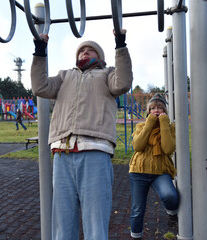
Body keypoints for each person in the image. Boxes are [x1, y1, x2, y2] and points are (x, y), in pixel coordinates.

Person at [30, 30, 133, 240]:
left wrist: (120, 44)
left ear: (100, 57)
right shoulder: (64, 76)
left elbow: (123, 83)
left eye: (90, 50)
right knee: (62, 222)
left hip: (95, 149)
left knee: (95, 221)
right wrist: (40, 51)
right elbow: (39, 87)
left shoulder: (108, 75)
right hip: (63, 151)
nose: (85, 52)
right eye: (81, 50)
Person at [129, 93, 179, 239]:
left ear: (165, 111)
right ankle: (136, 236)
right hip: (138, 171)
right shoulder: (141, 126)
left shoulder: (170, 128)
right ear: (148, 112)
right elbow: (138, 146)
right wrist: (150, 123)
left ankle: (171, 215)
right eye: (152, 108)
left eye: (160, 108)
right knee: (138, 209)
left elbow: (168, 149)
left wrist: (163, 122)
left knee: (170, 195)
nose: (156, 110)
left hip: (160, 171)